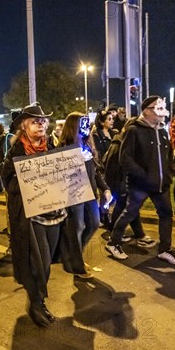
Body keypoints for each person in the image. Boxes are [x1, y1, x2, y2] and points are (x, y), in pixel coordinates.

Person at [1, 103, 88, 327]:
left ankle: (38, 301)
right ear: (24, 126)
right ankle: (37, 303)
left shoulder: (51, 146)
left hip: (55, 215)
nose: (40, 124)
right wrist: (30, 179)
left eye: (42, 121)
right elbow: (8, 183)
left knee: (48, 261)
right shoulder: (16, 152)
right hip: (32, 218)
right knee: (39, 263)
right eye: (34, 121)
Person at [105, 96, 175, 265]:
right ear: (147, 110)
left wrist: (169, 171)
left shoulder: (162, 131)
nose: (163, 112)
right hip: (141, 184)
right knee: (130, 212)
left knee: (166, 214)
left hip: (161, 184)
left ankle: (165, 250)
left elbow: (168, 155)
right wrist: (143, 175)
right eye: (158, 108)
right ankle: (113, 243)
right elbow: (125, 158)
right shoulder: (134, 130)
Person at [58, 113, 114, 278]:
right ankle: (76, 265)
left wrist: (105, 188)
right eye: (82, 124)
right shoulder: (64, 149)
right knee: (78, 228)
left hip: (90, 194)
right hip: (74, 196)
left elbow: (95, 171)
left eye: (87, 124)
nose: (87, 127)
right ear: (73, 126)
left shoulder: (87, 145)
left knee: (94, 223)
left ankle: (75, 256)